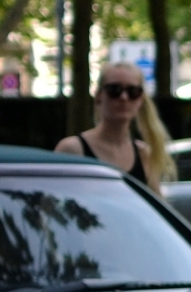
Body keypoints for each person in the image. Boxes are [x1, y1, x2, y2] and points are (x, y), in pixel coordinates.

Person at [56, 61, 176, 194]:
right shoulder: (73, 150)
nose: (124, 98)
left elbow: (155, 209)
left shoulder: (143, 154)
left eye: (133, 91)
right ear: (98, 96)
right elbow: (49, 204)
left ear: (141, 100)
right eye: (115, 90)